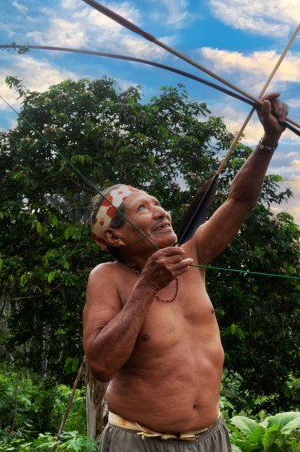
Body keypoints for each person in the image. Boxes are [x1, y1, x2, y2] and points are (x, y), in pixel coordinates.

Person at [84, 93, 288, 451]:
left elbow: (238, 201)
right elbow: (101, 365)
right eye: (142, 208)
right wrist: (147, 285)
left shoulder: (192, 255)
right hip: (140, 440)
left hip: (211, 438)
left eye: (158, 203)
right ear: (115, 235)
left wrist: (268, 142)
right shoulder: (107, 277)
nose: (161, 212)